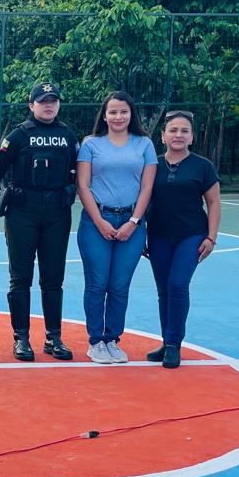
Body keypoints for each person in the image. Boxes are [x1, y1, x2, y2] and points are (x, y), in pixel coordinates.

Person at [0, 82, 79, 361]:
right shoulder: (18, 135)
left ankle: (54, 337)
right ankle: (21, 338)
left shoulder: (68, 136)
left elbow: (79, 171)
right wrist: (10, 195)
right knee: (21, 277)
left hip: (57, 214)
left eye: (53, 100)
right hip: (23, 213)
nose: (49, 105)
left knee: (53, 278)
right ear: (32, 105)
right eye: (43, 101)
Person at [76, 90, 157, 364]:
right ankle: (95, 341)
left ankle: (112, 339)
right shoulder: (90, 144)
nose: (118, 116)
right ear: (104, 115)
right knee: (97, 283)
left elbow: (147, 187)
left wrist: (134, 221)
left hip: (132, 223)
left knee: (120, 285)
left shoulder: (144, 144)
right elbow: (83, 185)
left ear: (131, 114)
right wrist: (99, 221)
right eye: (113, 112)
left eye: (123, 111)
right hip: (96, 221)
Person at [145, 110, 222, 369]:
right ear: (163, 136)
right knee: (163, 290)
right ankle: (166, 340)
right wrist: (141, 234)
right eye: (173, 130)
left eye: (184, 131)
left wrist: (211, 237)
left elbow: (213, 203)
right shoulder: (152, 165)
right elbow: (143, 200)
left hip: (191, 235)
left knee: (178, 284)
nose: (178, 135)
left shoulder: (203, 166)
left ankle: (174, 344)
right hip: (158, 236)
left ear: (192, 137)